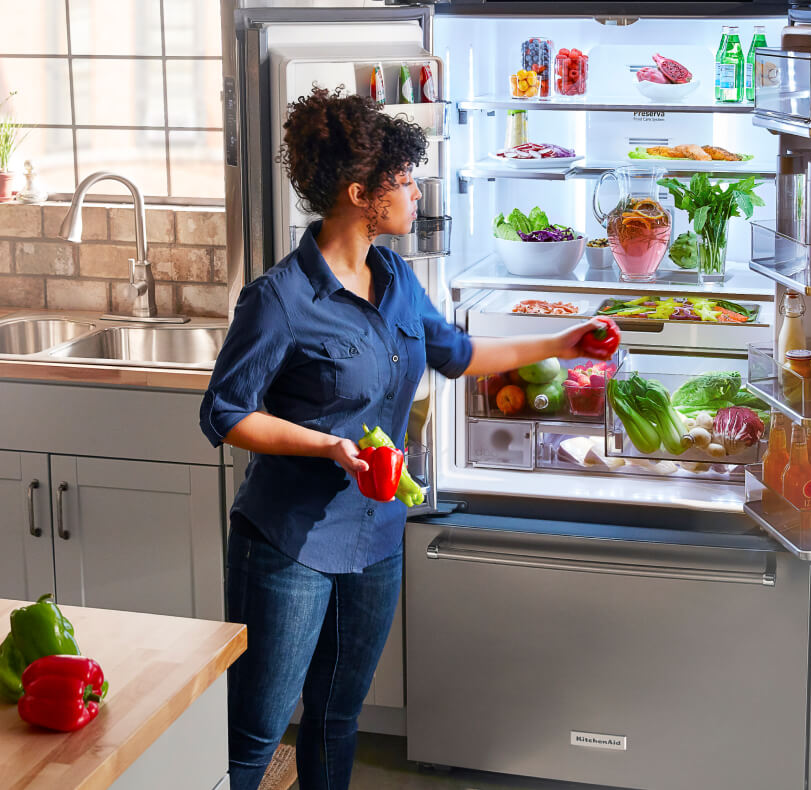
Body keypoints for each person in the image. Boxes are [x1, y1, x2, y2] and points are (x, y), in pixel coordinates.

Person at [199, 86, 611, 790]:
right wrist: (328, 447)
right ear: (361, 194)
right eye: (402, 180)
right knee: (256, 735)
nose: (416, 192)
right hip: (288, 545)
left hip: (375, 538)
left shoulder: (394, 278)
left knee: (335, 719)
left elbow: (458, 353)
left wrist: (566, 342)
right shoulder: (280, 299)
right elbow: (226, 413)